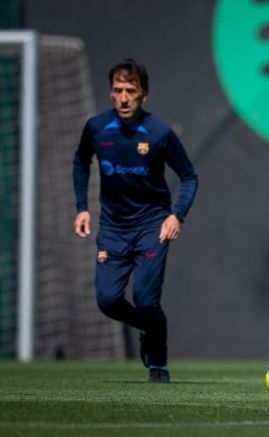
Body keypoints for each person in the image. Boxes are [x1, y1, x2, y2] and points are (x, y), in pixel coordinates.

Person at [73, 58, 198, 383]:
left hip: (151, 227)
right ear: (111, 93)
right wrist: (82, 207)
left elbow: (189, 177)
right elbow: (81, 161)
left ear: (144, 94)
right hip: (113, 229)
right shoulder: (97, 128)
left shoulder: (159, 132)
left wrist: (177, 215)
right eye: (118, 90)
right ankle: (149, 326)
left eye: (131, 90)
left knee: (145, 299)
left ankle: (158, 363)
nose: (124, 98)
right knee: (107, 300)